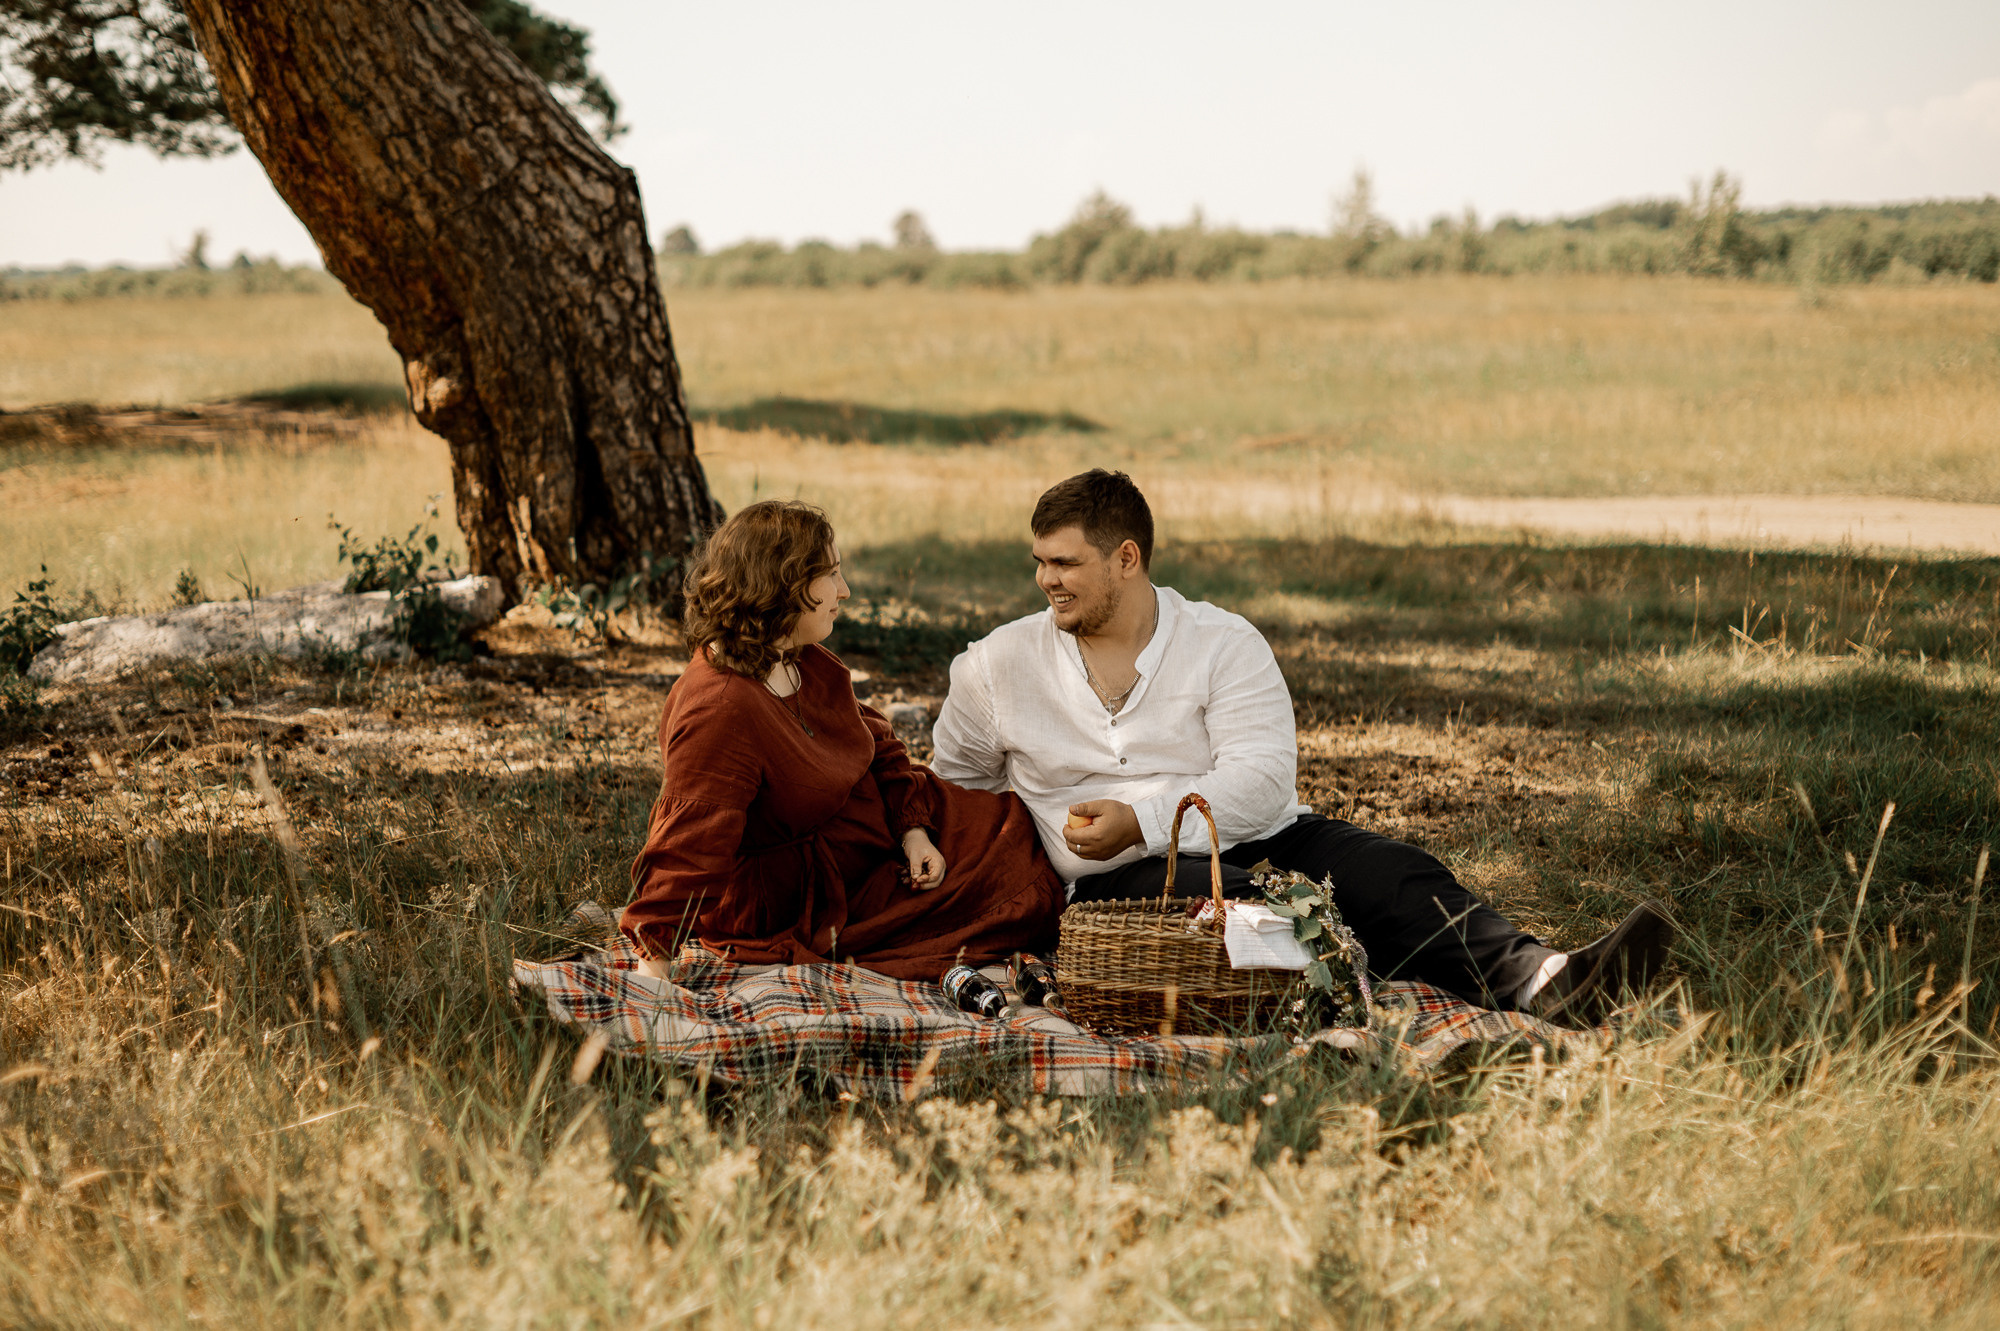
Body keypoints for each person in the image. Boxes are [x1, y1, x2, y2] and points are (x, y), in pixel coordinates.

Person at [931, 469, 1673, 1024]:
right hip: (1121, 881)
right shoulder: (997, 667)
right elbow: (953, 792)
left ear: (1126, 558)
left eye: (1065, 563)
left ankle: (1548, 979)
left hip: (1265, 833)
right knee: (1257, 915)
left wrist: (1146, 815)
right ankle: (1368, 1008)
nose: (1045, 580)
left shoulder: (1223, 643)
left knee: (1391, 874)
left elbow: (1258, 781)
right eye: (1039, 561)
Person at [621, 500, 1065, 981]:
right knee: (1012, 893)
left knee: (1012, 825)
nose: (845, 590)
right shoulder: (720, 707)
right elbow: (690, 843)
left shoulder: (799, 658)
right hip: (814, 898)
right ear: (783, 584)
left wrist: (912, 832)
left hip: (878, 836)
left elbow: (875, 742)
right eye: (830, 575)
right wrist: (654, 959)